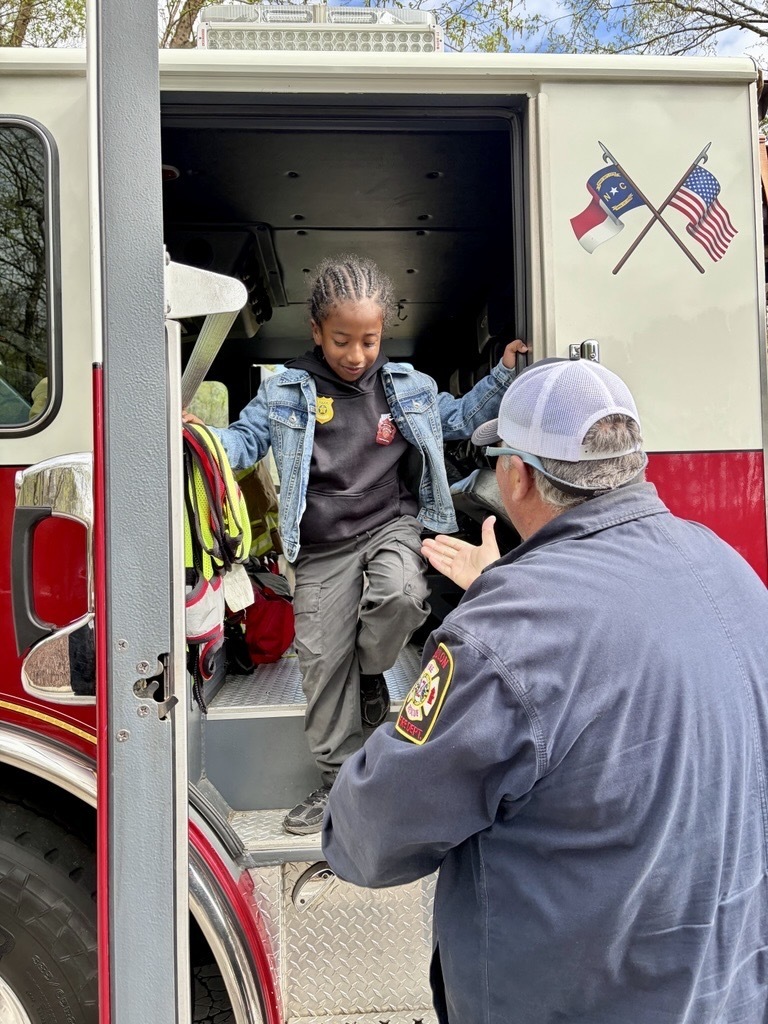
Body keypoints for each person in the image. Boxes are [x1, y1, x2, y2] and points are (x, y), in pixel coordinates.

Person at [322, 356, 768, 1023]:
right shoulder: (728, 568)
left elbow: (373, 833)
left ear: (516, 475)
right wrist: (507, 584)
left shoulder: (505, 635)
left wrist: (501, 606)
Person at [184, 254, 526, 834]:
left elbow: (461, 418)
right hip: (320, 547)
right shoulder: (288, 392)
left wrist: (501, 375)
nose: (356, 354)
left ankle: (371, 671)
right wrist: (192, 435)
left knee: (400, 594)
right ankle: (337, 784)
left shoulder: (405, 387)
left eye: (369, 341)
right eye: (342, 340)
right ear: (317, 332)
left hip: (391, 524)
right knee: (320, 661)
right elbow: (241, 443)